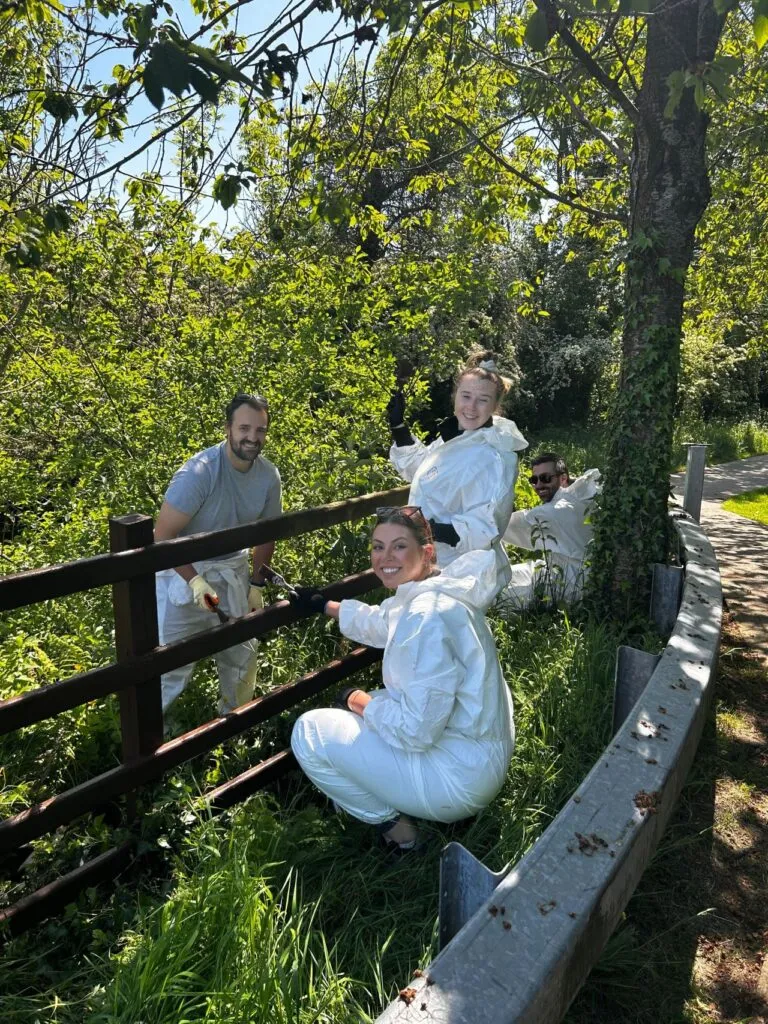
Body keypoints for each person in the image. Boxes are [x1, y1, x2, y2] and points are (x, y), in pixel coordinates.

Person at [289, 506, 515, 853]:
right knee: (379, 704)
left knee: (309, 731)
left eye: (398, 546)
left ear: (426, 552)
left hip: (458, 781)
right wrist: (323, 605)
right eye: (378, 547)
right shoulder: (438, 592)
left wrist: (355, 699)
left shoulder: (425, 619)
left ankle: (399, 833)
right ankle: (379, 790)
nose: (385, 557)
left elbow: (415, 731)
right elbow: (384, 621)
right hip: (479, 759)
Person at [154, 392, 282, 716]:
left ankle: (232, 733)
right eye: (244, 428)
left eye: (260, 430)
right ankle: (152, 744)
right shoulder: (199, 472)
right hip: (183, 575)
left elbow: (268, 533)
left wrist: (257, 584)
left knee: (241, 655)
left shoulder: (268, 477)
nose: (252, 437)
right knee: (169, 666)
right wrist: (195, 582)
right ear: (228, 428)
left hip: (233, 572)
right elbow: (163, 535)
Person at [387, 350, 527, 595]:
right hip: (428, 560)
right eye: (466, 396)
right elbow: (422, 470)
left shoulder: (494, 455)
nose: (471, 407)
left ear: (495, 406)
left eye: (482, 400)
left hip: (460, 573)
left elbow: (486, 526)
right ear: (455, 397)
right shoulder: (457, 438)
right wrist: (399, 426)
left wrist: (428, 529)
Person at [501, 453, 601, 610]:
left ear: (563, 479)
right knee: (499, 577)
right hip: (558, 567)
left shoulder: (556, 511)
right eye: (534, 480)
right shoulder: (583, 496)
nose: (539, 485)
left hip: (570, 584)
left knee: (494, 596)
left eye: (546, 478)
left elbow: (503, 527)